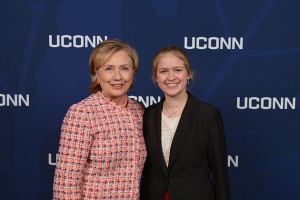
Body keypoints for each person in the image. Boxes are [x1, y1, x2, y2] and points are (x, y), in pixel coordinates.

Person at [53, 39, 146, 199]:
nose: (118, 77)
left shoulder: (139, 110)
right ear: (96, 75)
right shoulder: (83, 112)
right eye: (108, 69)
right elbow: (66, 180)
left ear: (132, 73)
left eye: (124, 68)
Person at [140, 45, 230, 200]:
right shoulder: (147, 115)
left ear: (188, 73)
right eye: (163, 71)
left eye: (177, 70)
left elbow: (220, 175)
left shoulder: (208, 115)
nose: (171, 77)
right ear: (156, 77)